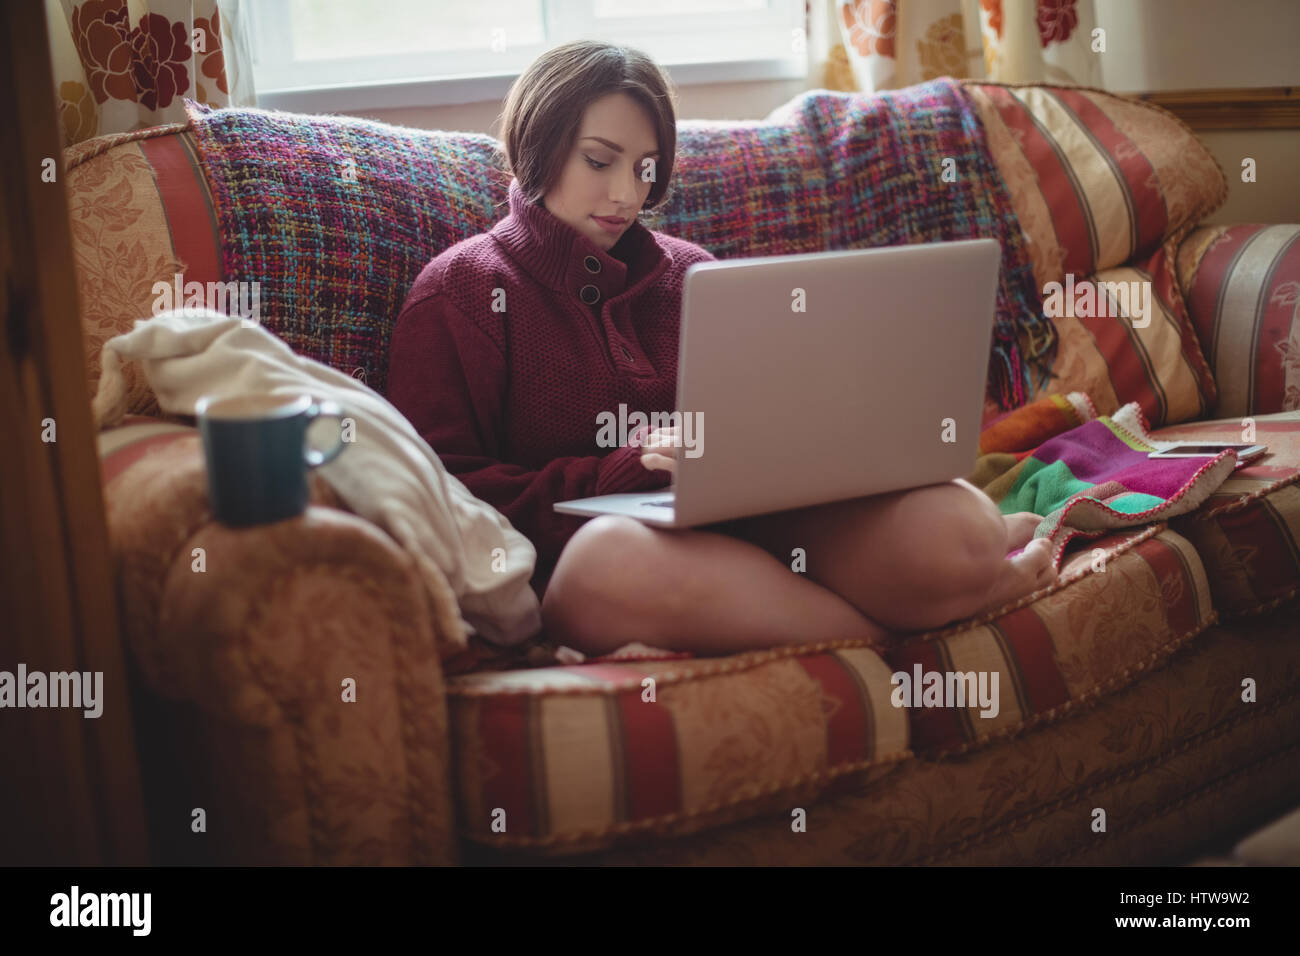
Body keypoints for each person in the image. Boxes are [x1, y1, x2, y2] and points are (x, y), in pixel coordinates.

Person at [387, 40, 1055, 659]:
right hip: (600, 561)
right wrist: (625, 469)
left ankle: (947, 593)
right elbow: (444, 497)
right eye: (599, 161)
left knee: (958, 532)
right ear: (538, 145)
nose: (626, 194)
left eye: (645, 169)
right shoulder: (461, 294)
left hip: (751, 526)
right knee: (611, 558)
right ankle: (899, 640)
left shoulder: (691, 275)